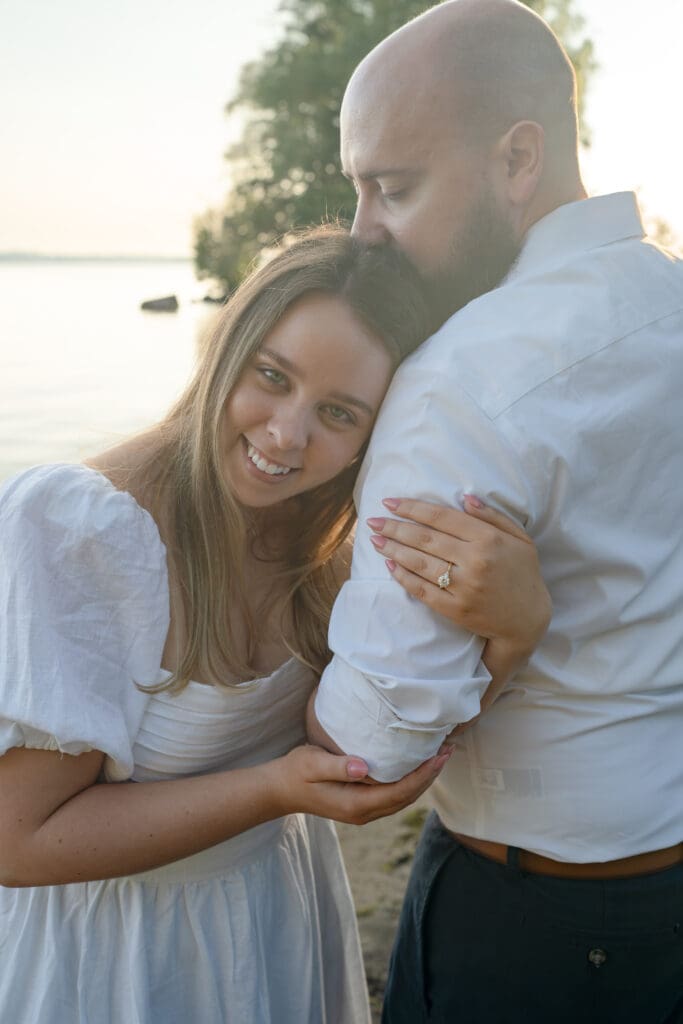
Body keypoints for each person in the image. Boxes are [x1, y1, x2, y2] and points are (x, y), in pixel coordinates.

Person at [0, 226, 549, 1024]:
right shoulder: (79, 529)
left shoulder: (333, 544)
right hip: (115, 959)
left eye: (338, 412)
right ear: (227, 345)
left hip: (277, 917)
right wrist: (272, 789)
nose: (286, 435)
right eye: (271, 376)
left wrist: (512, 633)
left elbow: (367, 751)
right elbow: (18, 840)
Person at [309, 2, 683, 1022]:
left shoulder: (461, 378)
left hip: (533, 921)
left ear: (517, 157)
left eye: (390, 186)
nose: (362, 231)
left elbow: (373, 740)